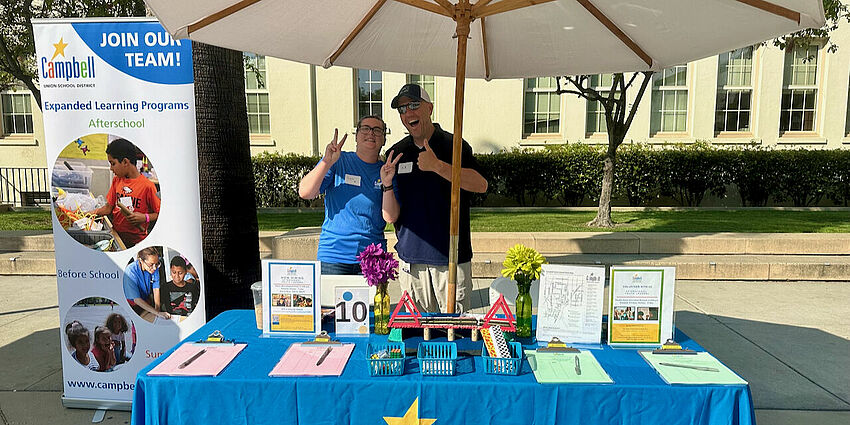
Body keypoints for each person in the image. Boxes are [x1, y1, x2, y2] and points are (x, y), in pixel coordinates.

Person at [382, 84, 488, 313]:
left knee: (455, 337)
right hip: (411, 261)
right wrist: (387, 184)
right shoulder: (397, 152)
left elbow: (481, 185)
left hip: (450, 260)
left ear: (429, 108)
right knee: (417, 337)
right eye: (402, 109)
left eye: (413, 105)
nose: (408, 112)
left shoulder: (455, 145)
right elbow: (393, 215)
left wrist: (438, 166)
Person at [298, 116, 392, 275]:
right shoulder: (338, 160)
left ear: (384, 139)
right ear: (356, 135)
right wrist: (327, 161)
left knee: (373, 301)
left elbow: (390, 216)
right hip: (334, 256)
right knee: (330, 301)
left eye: (377, 130)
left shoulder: (387, 171)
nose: (371, 133)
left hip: (372, 258)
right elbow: (305, 192)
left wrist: (387, 183)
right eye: (365, 128)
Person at [89, 138, 160, 248]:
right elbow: (108, 208)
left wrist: (144, 218)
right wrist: (89, 213)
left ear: (125, 162)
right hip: (117, 235)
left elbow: (158, 213)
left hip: (138, 242)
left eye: (113, 163)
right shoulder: (117, 180)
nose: (111, 168)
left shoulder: (147, 186)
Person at [123, 247, 171, 323]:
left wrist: (157, 310)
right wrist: (157, 313)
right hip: (132, 305)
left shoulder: (154, 268)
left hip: (146, 301)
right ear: (141, 260)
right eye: (151, 264)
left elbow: (156, 289)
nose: (154, 268)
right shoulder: (130, 271)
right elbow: (137, 299)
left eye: (157, 264)